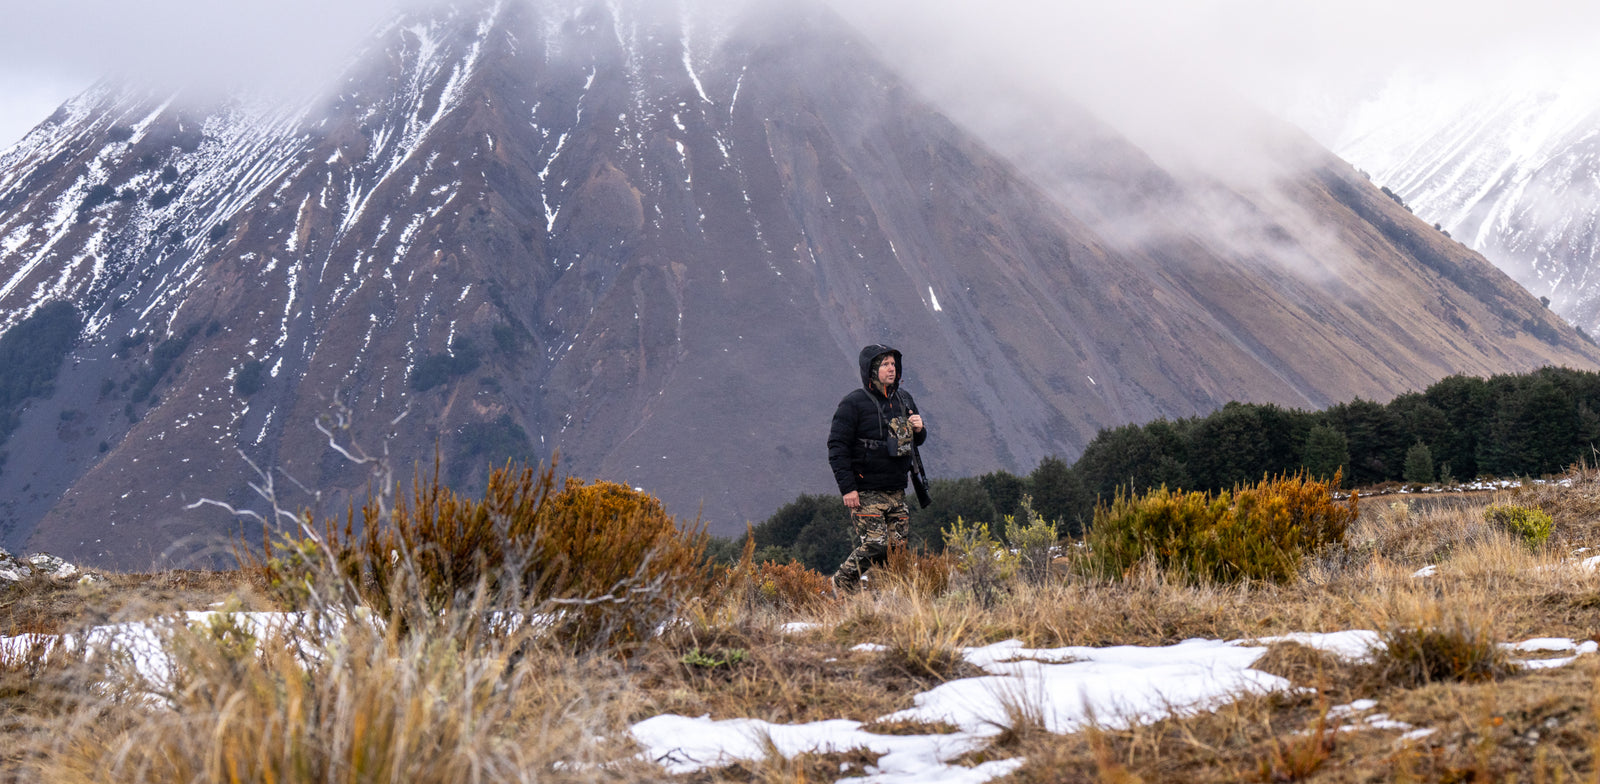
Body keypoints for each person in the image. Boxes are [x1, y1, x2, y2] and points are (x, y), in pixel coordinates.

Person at [827, 344, 926, 594]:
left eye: (893, 364)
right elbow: (837, 447)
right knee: (875, 545)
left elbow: (917, 441)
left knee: (896, 551)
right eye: (884, 364)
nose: (891, 369)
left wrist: (919, 429)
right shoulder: (853, 403)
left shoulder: (904, 399)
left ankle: (885, 600)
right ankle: (841, 582)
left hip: (897, 489)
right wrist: (848, 488)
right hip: (865, 490)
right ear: (871, 370)